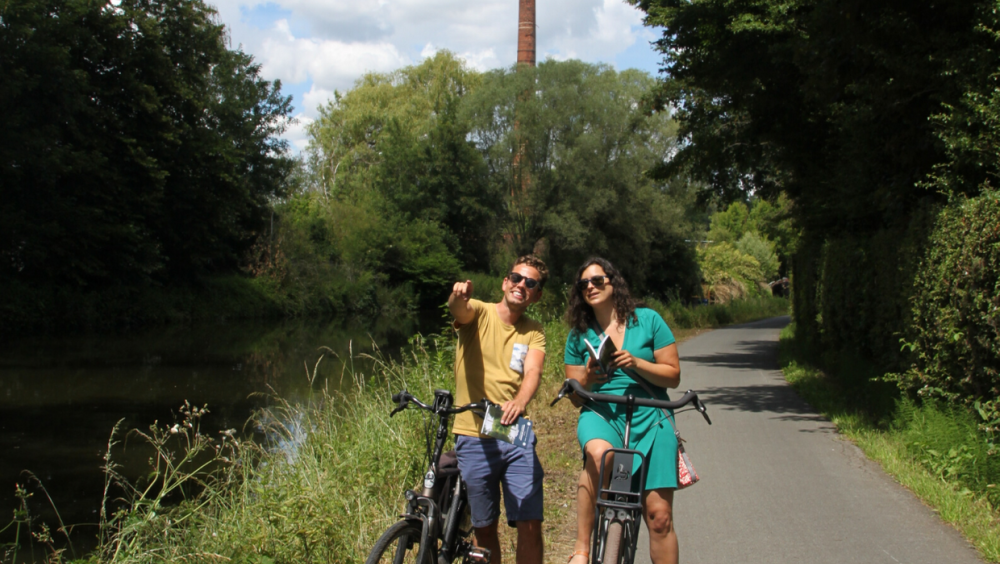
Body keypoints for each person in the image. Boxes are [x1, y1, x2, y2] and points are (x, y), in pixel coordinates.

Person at [563, 257, 682, 564]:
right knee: (600, 456)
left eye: (598, 280)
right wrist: (587, 379)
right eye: (583, 284)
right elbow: (575, 395)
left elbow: (673, 375)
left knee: (659, 517)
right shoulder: (579, 334)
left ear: (613, 282)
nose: (591, 287)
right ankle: (581, 550)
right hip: (602, 414)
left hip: (651, 415)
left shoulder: (649, 320)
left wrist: (637, 363)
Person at [449, 255, 549, 564]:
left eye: (530, 283)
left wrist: (520, 401)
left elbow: (533, 371)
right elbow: (458, 310)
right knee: (484, 527)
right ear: (505, 282)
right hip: (474, 435)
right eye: (516, 278)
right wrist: (456, 297)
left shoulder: (534, 331)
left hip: (514, 432)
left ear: (536, 295)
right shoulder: (478, 311)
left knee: (530, 523)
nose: (521, 285)